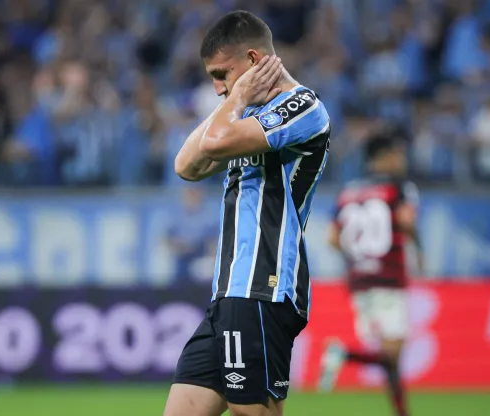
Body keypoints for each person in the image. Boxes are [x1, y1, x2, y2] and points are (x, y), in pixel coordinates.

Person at [166, 10, 332, 416]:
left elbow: (215, 143)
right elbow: (185, 166)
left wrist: (237, 98)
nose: (218, 87)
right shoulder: (244, 113)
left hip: (264, 284)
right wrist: (236, 98)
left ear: (255, 61)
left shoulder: (303, 106)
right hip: (229, 289)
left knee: (252, 410)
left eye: (223, 74)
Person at [318, 131, 421, 416]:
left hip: (359, 280)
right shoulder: (399, 188)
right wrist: (419, 249)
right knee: (392, 355)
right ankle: (343, 353)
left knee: (390, 359)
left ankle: (401, 412)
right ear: (383, 157)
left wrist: (357, 260)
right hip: (389, 277)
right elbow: (406, 221)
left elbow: (332, 238)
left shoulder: (348, 191)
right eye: (397, 154)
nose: (401, 160)